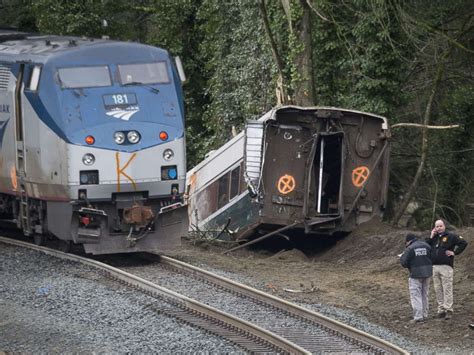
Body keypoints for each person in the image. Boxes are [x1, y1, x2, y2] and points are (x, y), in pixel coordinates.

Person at [425, 219, 468, 320]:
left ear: (444, 226)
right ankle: (441, 310)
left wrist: (455, 252)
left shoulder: (451, 236)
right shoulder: (434, 237)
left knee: (447, 288)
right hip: (434, 266)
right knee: (437, 289)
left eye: (440, 226)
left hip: (446, 266)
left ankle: (449, 309)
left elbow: (463, 243)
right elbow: (427, 246)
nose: (439, 228)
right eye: (437, 226)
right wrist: (431, 236)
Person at [400, 233, 433, 323]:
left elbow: (403, 263)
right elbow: (432, 257)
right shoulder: (427, 245)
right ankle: (425, 314)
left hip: (415, 274)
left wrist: (402, 256)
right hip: (428, 273)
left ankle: (418, 316)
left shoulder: (410, 248)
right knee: (424, 294)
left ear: (408, 241)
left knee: (416, 295)